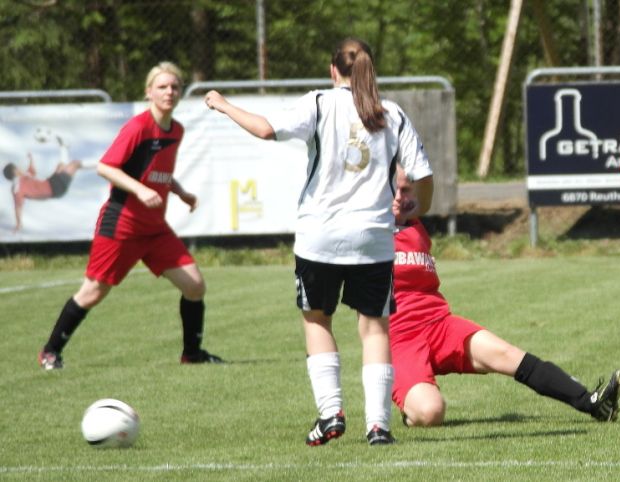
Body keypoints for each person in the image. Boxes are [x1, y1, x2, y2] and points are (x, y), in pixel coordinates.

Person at [204, 37, 434, 446]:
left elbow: (265, 129)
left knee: (317, 319)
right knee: (374, 328)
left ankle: (331, 414)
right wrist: (419, 208)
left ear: (332, 71)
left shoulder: (318, 103)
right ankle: (378, 426)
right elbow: (423, 175)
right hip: (373, 238)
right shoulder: (392, 113)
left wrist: (223, 104)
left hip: (320, 236)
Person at [390, 167, 620, 427]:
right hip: (399, 339)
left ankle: (591, 402)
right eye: (392, 190)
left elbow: (425, 181)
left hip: (440, 324)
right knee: (432, 412)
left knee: (507, 354)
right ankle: (412, 406)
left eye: (405, 189)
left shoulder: (415, 223)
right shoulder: (369, 231)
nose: (399, 196)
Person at [37, 61, 223, 371]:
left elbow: (157, 173)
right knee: (93, 292)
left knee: (194, 286)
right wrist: (139, 190)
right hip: (121, 225)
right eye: (162, 87)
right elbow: (105, 167)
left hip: (154, 229)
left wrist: (179, 192)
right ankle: (50, 351)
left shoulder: (176, 130)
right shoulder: (138, 127)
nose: (169, 92)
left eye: (175, 87)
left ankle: (192, 354)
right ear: (149, 92)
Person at [4, 146, 84, 232]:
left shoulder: (23, 178)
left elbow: (32, 172)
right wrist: (18, 223)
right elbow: (18, 207)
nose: (20, 168)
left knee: (61, 165)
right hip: (56, 188)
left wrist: (31, 159)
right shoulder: (17, 188)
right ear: (15, 171)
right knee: (75, 164)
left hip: (51, 182)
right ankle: (94, 165)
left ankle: (64, 147)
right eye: (17, 167)